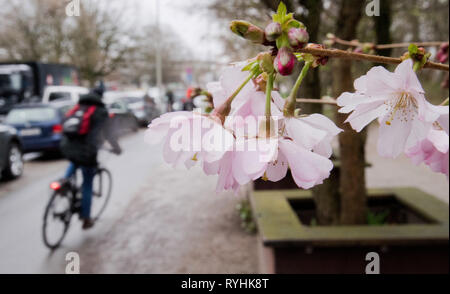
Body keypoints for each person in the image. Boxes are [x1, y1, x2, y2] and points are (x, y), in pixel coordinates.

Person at [60, 85, 122, 230]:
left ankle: (64, 182)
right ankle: (86, 218)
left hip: (67, 146)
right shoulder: (100, 111)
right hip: (87, 150)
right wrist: (116, 148)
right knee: (87, 183)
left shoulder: (79, 106)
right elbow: (108, 134)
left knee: (75, 160)